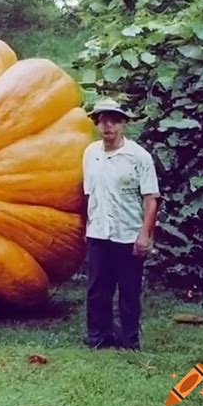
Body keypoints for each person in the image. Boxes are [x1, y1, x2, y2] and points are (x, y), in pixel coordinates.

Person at [82, 97, 160, 350]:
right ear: (97, 124)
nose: (108, 127)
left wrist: (145, 234)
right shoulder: (90, 153)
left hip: (128, 235)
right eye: (103, 121)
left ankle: (130, 341)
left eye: (114, 121)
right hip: (98, 233)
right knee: (97, 291)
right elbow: (88, 195)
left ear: (123, 124)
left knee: (128, 292)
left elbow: (151, 199)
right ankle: (99, 337)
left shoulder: (138, 156)